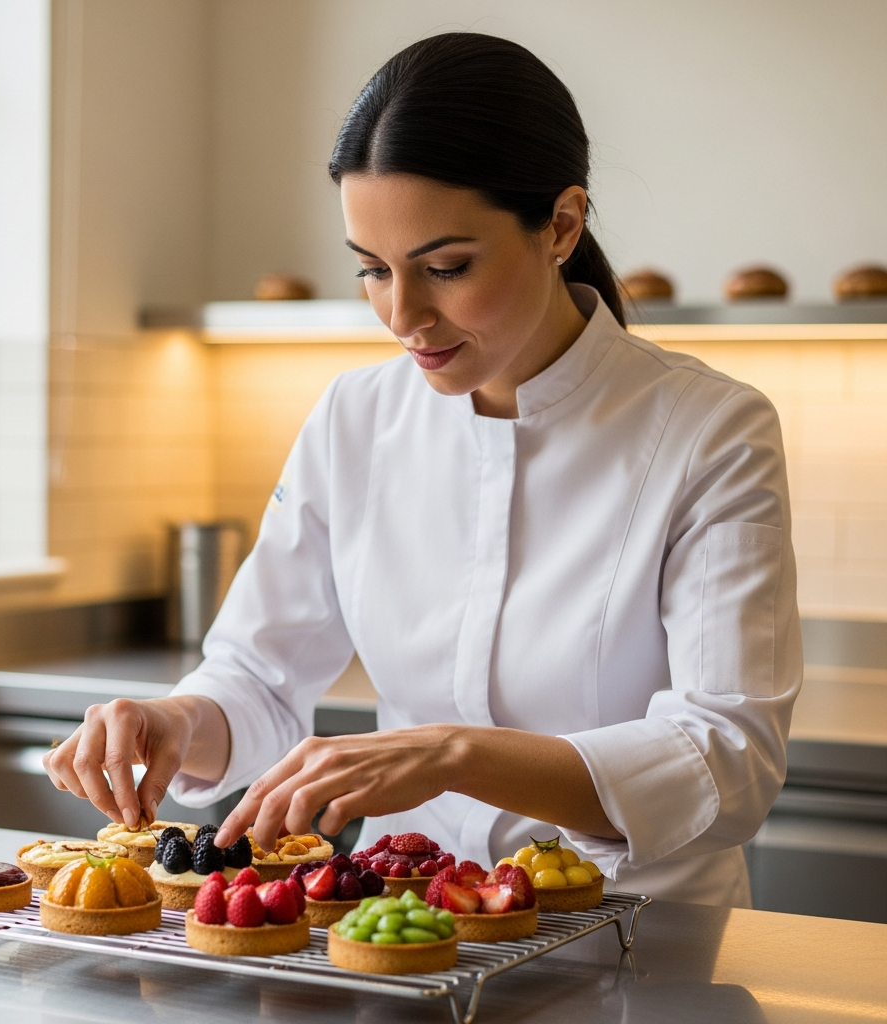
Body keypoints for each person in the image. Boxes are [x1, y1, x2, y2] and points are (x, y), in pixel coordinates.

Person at [44, 33, 801, 907]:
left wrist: (455, 753)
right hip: (409, 934)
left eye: (446, 268)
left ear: (560, 225)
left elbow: (729, 754)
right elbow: (256, 676)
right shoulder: (354, 418)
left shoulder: (711, 429)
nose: (404, 316)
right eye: (373, 271)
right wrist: (173, 723)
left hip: (642, 939)